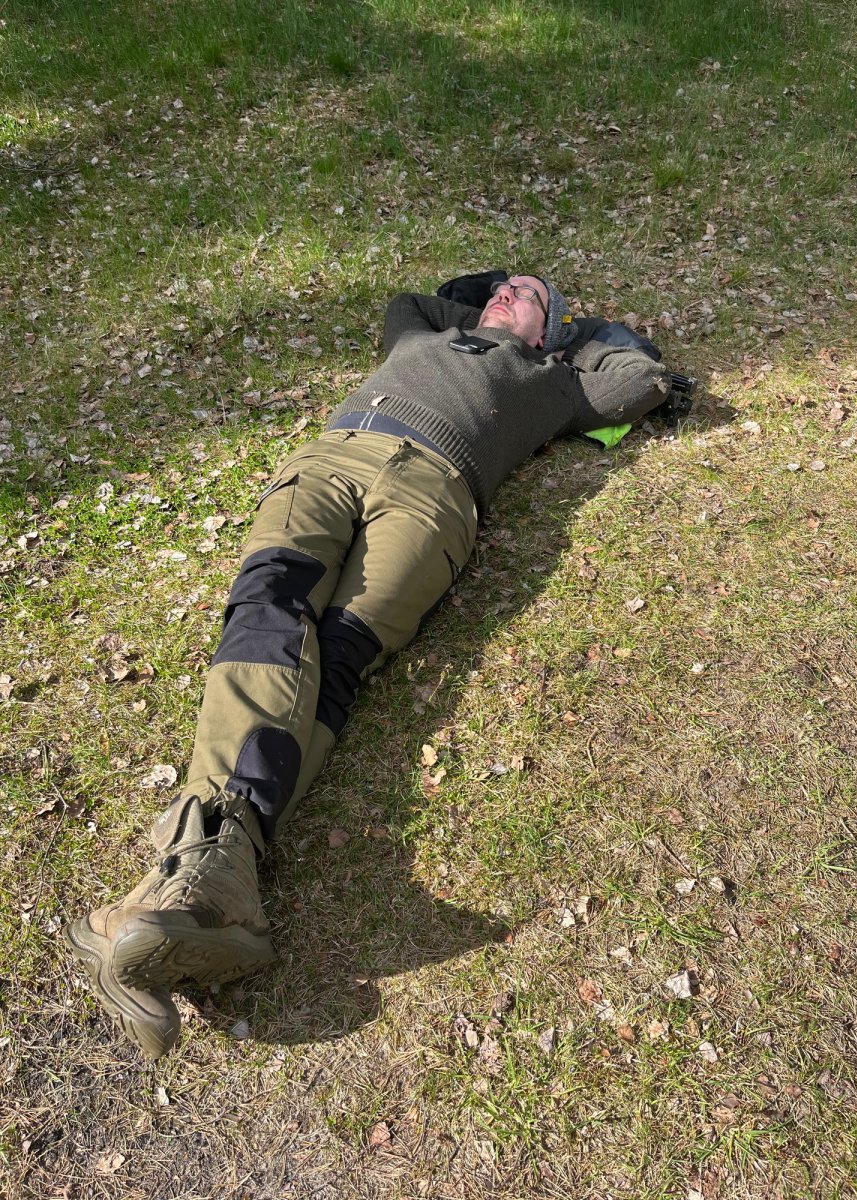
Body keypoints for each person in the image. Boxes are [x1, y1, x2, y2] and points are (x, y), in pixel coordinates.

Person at [64, 275, 671, 1058]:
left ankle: (182, 880)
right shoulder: (421, 335)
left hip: (433, 492)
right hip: (333, 458)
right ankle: (209, 875)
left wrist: (571, 335)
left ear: (548, 327)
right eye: (499, 286)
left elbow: (639, 381)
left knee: (339, 653)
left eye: (524, 293)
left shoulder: (554, 381)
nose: (503, 292)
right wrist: (494, 297)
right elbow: (415, 302)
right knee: (267, 610)